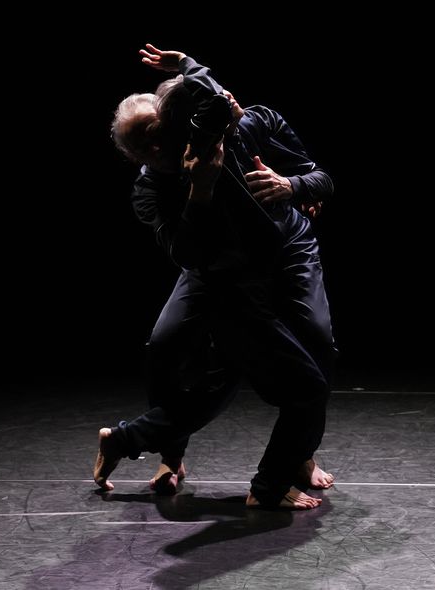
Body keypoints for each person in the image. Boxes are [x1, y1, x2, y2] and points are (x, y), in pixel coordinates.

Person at [96, 46, 335, 509]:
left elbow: (317, 176)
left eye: (159, 135)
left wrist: (292, 186)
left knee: (314, 351)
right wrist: (200, 193)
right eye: (143, 147)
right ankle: (169, 455)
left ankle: (296, 457)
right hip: (217, 270)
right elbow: (188, 253)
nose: (157, 149)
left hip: (283, 252)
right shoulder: (154, 185)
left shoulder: (241, 130)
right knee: (169, 347)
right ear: (134, 156)